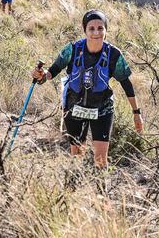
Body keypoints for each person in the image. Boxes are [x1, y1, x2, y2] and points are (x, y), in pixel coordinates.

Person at [32, 9, 143, 168]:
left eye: (100, 28)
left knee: (101, 160)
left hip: (102, 109)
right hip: (74, 107)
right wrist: (40, 76)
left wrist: (136, 113)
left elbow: (127, 85)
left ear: (106, 30)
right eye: (91, 28)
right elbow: (51, 72)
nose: (96, 32)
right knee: (76, 156)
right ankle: (76, 189)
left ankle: (101, 191)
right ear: (84, 30)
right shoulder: (72, 49)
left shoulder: (113, 55)